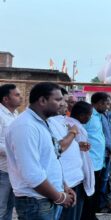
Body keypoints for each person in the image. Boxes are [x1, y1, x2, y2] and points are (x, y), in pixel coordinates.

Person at [6, 82, 75, 219]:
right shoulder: (26, 126)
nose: (62, 104)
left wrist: (63, 186)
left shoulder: (43, 122)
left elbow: (50, 159)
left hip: (48, 197)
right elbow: (32, 174)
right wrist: (60, 197)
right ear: (42, 100)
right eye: (58, 99)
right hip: (36, 202)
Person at [49, 88, 86, 220]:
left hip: (74, 179)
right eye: (62, 100)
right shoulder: (48, 122)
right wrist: (72, 133)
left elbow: (66, 143)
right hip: (65, 181)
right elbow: (59, 147)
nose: (65, 104)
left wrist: (77, 144)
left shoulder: (63, 120)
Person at [82, 92, 110, 219]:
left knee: (95, 190)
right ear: (99, 103)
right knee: (89, 191)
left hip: (99, 160)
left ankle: (91, 214)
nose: (107, 107)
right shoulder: (88, 116)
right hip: (90, 161)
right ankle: (88, 216)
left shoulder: (98, 116)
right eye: (106, 104)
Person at [0, 84, 21, 220]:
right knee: (1, 208)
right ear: (6, 99)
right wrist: (17, 154)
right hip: (2, 170)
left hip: (13, 170)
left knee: (9, 207)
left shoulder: (15, 114)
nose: (20, 97)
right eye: (17, 95)